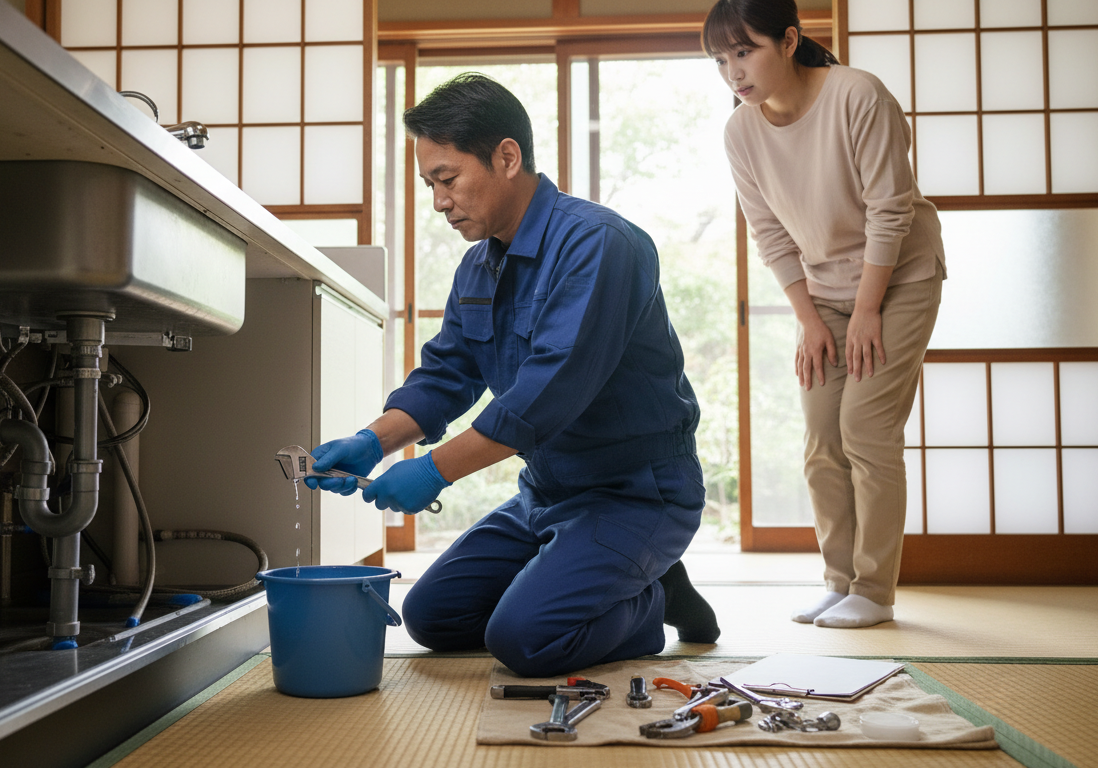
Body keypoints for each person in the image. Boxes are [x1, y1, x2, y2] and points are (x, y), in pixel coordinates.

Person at [304, 73, 719, 677]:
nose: (440, 201)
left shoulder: (600, 244)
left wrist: (432, 469)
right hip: (548, 493)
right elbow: (446, 374)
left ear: (506, 156)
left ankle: (652, 597)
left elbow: (546, 395)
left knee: (524, 642)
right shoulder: (478, 267)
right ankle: (606, 575)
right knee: (432, 618)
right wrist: (372, 442)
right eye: (430, 185)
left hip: (638, 493)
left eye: (448, 179)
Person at [704, 0, 946, 628]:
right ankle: (839, 581)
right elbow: (770, 234)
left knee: (867, 429)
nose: (733, 71)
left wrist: (867, 312)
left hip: (900, 278)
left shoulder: (858, 96)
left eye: (744, 50)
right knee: (820, 436)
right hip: (825, 294)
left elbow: (890, 212)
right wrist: (811, 320)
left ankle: (875, 590)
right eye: (721, 58)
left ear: (789, 40)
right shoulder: (741, 131)